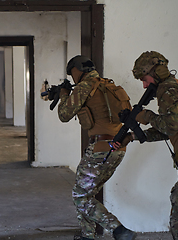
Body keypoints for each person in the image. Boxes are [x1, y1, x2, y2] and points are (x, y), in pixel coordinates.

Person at [113, 51, 178, 240]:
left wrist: (146, 116)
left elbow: (172, 126)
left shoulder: (167, 88)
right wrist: (134, 136)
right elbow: (169, 130)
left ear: (155, 71)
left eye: (144, 78)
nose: (143, 84)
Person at [57, 55, 137, 240]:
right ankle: (87, 235)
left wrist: (63, 95)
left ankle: (118, 230)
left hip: (100, 150)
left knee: (80, 196)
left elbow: (64, 114)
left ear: (77, 70)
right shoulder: (109, 85)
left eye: (72, 74)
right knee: (87, 193)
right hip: (117, 148)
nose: (72, 78)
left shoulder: (85, 86)